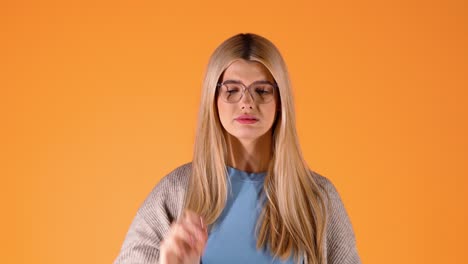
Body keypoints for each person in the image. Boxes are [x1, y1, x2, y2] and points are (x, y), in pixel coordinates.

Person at [114, 33, 361, 264]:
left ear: (280, 101)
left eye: (261, 90)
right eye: (232, 90)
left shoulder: (318, 199)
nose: (246, 103)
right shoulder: (175, 193)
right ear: (213, 100)